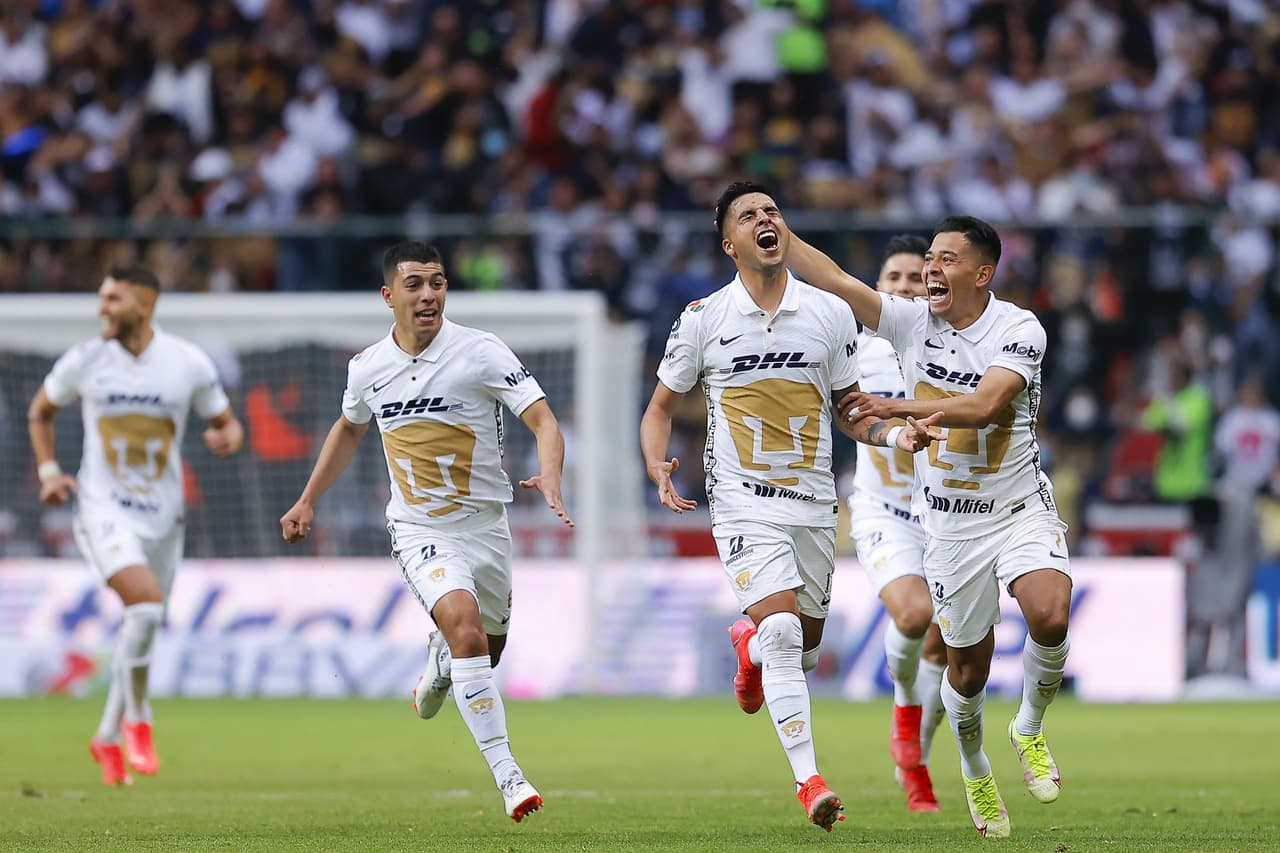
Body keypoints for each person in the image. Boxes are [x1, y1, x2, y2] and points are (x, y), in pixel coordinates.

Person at [640, 182, 942, 832]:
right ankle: (810, 780)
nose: (764, 219)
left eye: (772, 210)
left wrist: (893, 433)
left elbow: (850, 413)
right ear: (730, 243)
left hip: (811, 504)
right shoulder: (703, 317)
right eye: (749, 215)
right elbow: (660, 406)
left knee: (798, 649)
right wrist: (656, 461)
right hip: (743, 504)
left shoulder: (831, 316)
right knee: (783, 632)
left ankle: (747, 651)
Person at [787, 216, 1072, 839]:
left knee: (1051, 613)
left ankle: (1027, 727)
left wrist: (898, 405)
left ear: (982, 273)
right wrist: (780, 236)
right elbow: (835, 279)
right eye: (929, 260)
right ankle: (974, 766)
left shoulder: (1019, 328)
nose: (931, 271)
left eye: (945, 260)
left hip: (1020, 506)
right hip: (947, 528)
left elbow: (983, 406)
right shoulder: (910, 324)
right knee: (966, 671)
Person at [279, 241, 572, 823]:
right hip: (420, 529)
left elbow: (541, 418)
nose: (428, 295)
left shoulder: (481, 351)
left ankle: (439, 667)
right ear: (389, 296)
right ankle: (510, 777)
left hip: (486, 526)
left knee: (483, 651)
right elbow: (348, 427)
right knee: (466, 630)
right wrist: (308, 498)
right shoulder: (367, 368)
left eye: (437, 283)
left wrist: (553, 475)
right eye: (414, 285)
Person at [28, 266, 244, 786]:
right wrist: (50, 471)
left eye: (112, 298)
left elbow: (226, 421)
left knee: (141, 626)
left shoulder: (187, 363)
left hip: (166, 518)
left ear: (143, 307)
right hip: (102, 508)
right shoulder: (85, 360)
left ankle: (103, 740)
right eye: (101, 297)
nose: (101, 307)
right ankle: (139, 722)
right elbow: (41, 411)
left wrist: (230, 437)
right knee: (144, 607)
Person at [847, 235, 948, 812]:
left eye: (917, 278)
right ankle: (905, 717)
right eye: (895, 279)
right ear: (878, 288)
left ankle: (915, 757)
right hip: (886, 512)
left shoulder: (956, 351)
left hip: (952, 520)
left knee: (948, 650)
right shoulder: (853, 351)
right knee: (915, 614)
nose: (906, 287)